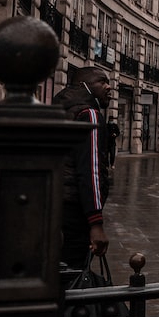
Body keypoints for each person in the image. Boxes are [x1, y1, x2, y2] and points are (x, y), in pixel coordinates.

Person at [53, 66, 113, 271]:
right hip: (75, 212)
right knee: (74, 271)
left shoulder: (60, 110)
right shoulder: (89, 113)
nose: (109, 86)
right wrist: (96, 223)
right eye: (102, 81)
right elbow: (91, 169)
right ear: (84, 85)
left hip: (54, 205)